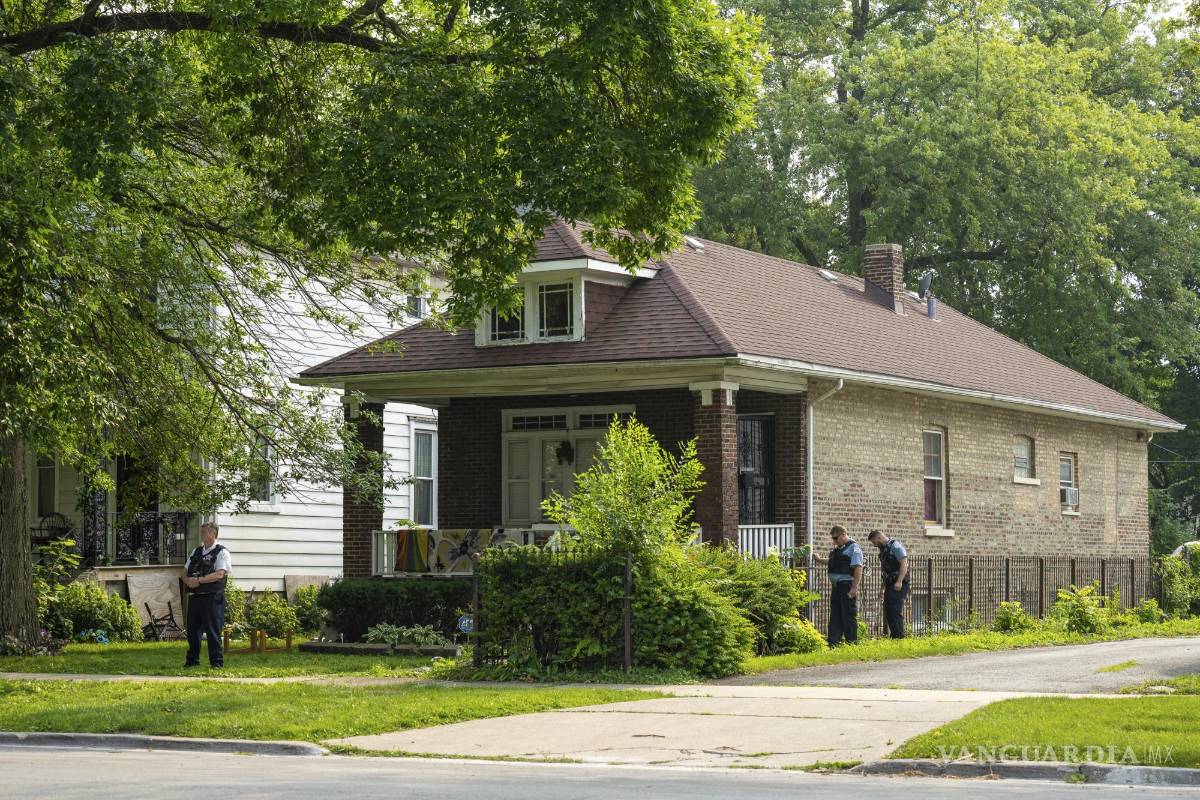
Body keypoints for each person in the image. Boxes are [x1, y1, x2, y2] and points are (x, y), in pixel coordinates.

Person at [183, 522, 231, 668]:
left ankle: (216, 663)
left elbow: (220, 574)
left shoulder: (221, 552)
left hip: (212, 597)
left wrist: (199, 580)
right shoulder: (196, 551)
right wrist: (187, 581)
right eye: (201, 532)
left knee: (212, 631)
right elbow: (184, 571)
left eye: (204, 532)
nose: (201, 535)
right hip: (195, 596)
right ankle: (192, 662)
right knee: (192, 630)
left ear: (212, 534)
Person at [812, 525, 863, 646]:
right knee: (835, 614)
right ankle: (833, 642)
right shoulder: (839, 549)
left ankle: (851, 642)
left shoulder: (854, 548)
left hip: (847, 585)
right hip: (836, 586)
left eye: (836, 538)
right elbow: (833, 562)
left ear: (844, 534)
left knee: (848, 615)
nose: (834, 541)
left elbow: (858, 567)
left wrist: (854, 587)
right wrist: (819, 560)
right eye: (833, 539)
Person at [868, 529, 909, 639]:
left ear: (879, 538)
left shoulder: (895, 546)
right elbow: (886, 572)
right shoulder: (884, 550)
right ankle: (895, 635)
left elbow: (904, 563)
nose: (874, 545)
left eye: (874, 542)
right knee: (889, 609)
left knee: (895, 609)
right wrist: (882, 588)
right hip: (890, 583)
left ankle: (899, 636)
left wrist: (899, 581)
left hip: (899, 582)